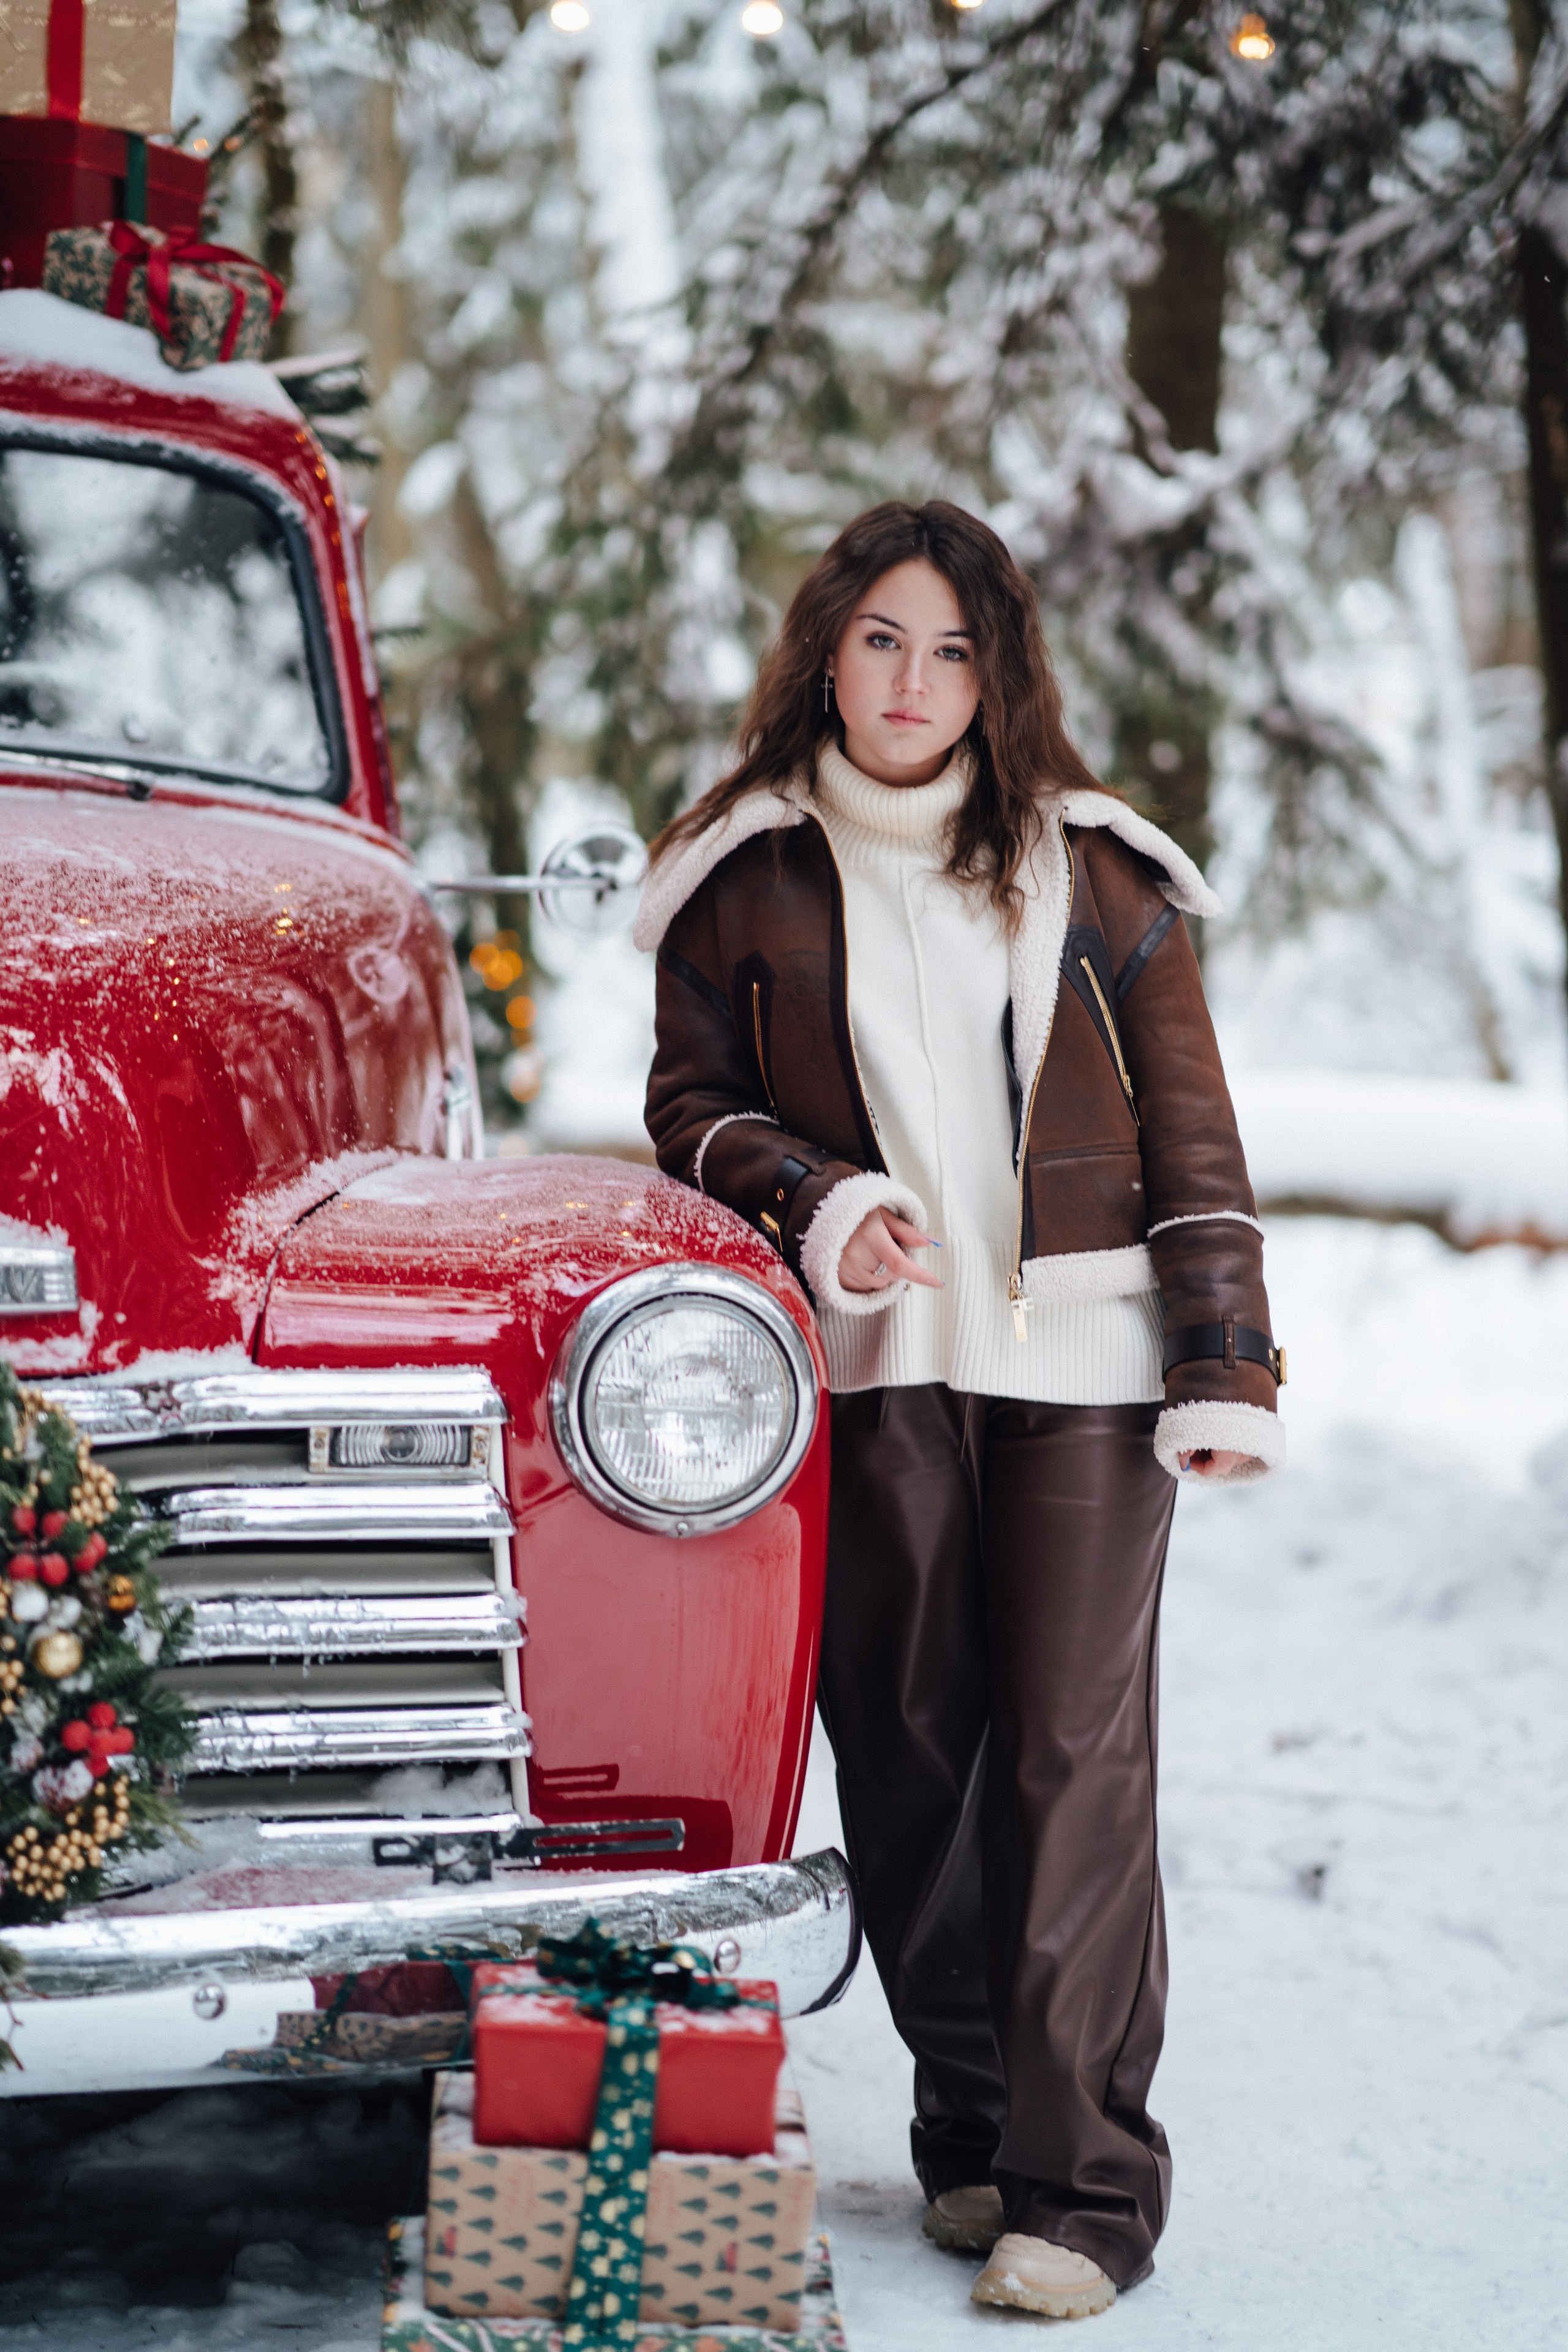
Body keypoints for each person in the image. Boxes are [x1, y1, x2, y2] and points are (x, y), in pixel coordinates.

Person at [636, 500, 1283, 2321]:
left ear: (997, 676)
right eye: (882, 642)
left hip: (1080, 1370)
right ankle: (977, 2124)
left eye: (952, 649)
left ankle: (1089, 2191)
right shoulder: (740, 876)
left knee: (1074, 1764)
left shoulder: (1099, 876)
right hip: (877, 1368)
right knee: (913, 1753)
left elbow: (1194, 1146)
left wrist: (1223, 1361)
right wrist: (819, 1201)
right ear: (826, 653)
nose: (914, 683)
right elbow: (689, 1115)